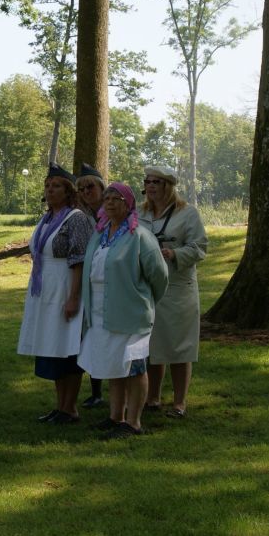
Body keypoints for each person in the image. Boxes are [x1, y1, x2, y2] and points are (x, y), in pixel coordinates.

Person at [78, 182, 168, 439]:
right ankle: (115, 416)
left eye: (116, 198)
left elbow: (159, 275)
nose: (109, 202)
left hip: (131, 312)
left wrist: (143, 299)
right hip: (101, 311)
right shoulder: (100, 234)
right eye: (106, 198)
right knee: (112, 364)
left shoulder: (139, 235)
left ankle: (133, 422)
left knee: (133, 366)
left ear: (128, 204)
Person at [17, 163, 93, 424]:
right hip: (45, 289)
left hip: (65, 286)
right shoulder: (47, 218)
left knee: (68, 347)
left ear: (69, 191)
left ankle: (70, 408)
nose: (50, 190)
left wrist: (74, 297)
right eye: (47, 185)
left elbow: (79, 260)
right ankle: (60, 406)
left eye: (56, 186)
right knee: (54, 345)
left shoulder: (76, 218)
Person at [137, 166, 208, 419]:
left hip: (178, 288)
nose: (150, 186)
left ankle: (179, 402)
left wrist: (175, 253)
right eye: (147, 181)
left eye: (156, 182)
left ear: (168, 186)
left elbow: (200, 247)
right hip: (149, 287)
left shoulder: (187, 213)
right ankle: (153, 397)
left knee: (179, 346)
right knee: (152, 345)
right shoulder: (140, 212)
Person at [75, 162, 107, 409]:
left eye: (91, 187)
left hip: (109, 282)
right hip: (90, 283)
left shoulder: (114, 211)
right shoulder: (81, 216)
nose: (86, 192)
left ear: (101, 188)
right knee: (91, 335)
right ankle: (96, 392)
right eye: (82, 189)